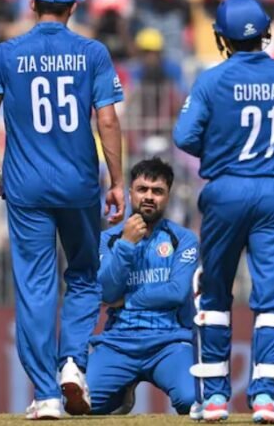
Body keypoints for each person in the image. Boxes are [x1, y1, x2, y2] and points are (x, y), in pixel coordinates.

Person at [172, 0, 274, 423]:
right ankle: (265, 399)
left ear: (221, 38)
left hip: (225, 189)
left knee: (214, 291)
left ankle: (213, 400)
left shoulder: (210, 81)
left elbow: (184, 137)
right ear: (265, 32)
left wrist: (222, 151)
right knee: (273, 296)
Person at [0, 0, 125, 419]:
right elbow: (108, 120)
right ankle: (73, 362)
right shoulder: (92, 53)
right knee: (84, 274)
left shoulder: (5, 54)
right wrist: (118, 181)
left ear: (32, 4)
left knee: (35, 287)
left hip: (26, 187)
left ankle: (46, 395)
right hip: (79, 184)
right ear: (75, 7)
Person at [88, 158, 198, 415]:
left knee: (191, 400)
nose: (149, 196)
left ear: (168, 196)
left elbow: (177, 292)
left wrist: (128, 300)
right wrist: (126, 244)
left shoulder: (184, 239)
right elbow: (106, 293)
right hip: (119, 341)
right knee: (83, 404)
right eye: (142, 189)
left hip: (169, 341)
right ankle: (121, 394)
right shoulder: (108, 240)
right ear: (130, 193)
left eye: (157, 191)